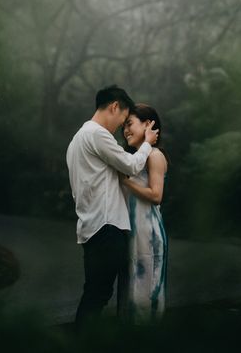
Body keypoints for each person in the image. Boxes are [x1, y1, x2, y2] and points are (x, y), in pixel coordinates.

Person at [66, 85, 159, 328]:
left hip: (90, 227)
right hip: (107, 226)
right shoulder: (97, 134)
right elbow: (130, 165)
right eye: (122, 119)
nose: (121, 126)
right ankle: (81, 342)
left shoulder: (76, 140)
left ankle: (82, 341)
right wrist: (148, 143)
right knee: (98, 294)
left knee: (96, 291)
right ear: (114, 106)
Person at [120, 103, 168, 322]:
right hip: (132, 233)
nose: (125, 130)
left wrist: (126, 183)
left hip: (148, 234)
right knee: (130, 294)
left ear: (148, 124)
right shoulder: (133, 158)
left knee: (146, 296)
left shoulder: (155, 156)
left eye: (129, 124)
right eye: (123, 127)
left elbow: (156, 195)